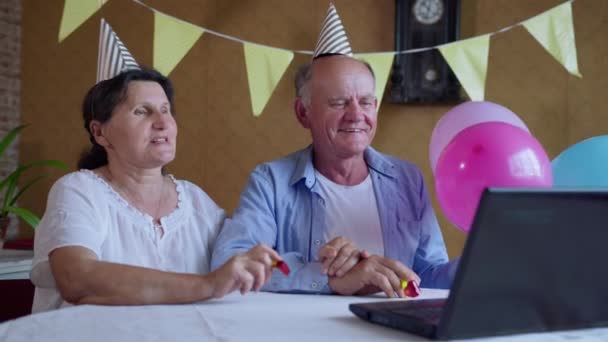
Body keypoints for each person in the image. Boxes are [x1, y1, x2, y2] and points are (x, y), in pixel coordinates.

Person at [31, 68, 281, 313]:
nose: (162, 123)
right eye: (142, 111)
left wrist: (270, 261)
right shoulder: (79, 190)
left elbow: (237, 260)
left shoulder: (195, 201)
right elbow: (77, 280)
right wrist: (208, 284)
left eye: (166, 110)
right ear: (100, 133)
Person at [211, 55, 458, 298]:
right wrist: (326, 277)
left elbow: (428, 275)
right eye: (339, 102)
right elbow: (233, 260)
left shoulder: (407, 179)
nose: (356, 114)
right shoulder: (271, 183)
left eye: (366, 102)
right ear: (303, 112)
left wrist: (481, 263)